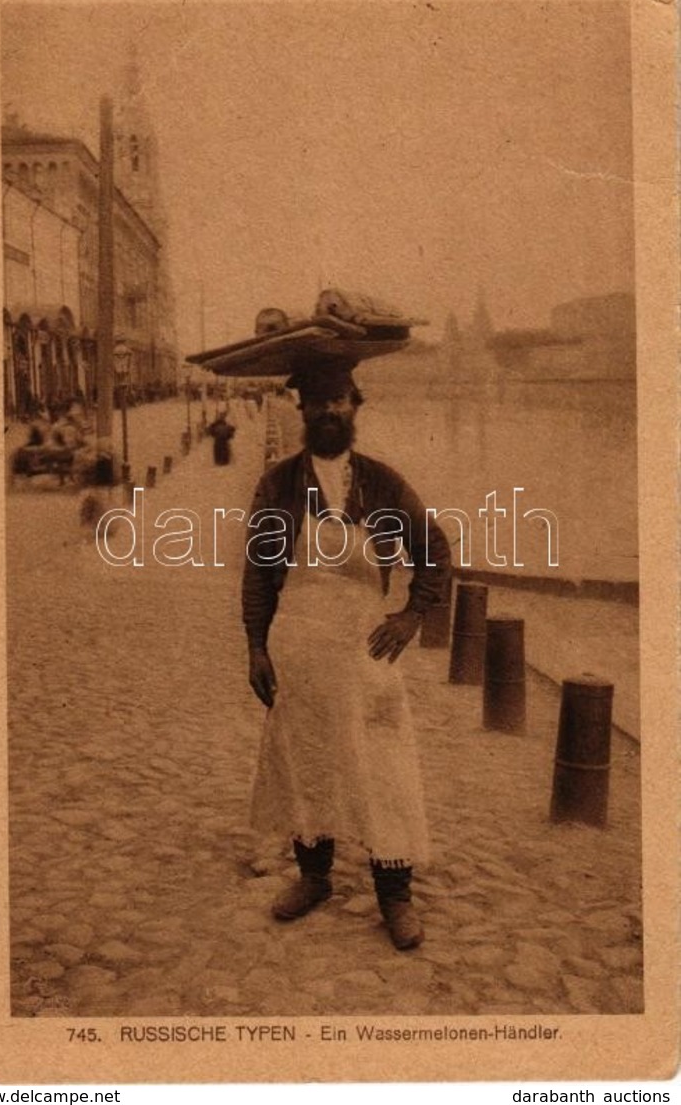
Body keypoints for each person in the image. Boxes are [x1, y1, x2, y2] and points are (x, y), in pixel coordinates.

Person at [242, 361, 451, 950]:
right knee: (306, 759)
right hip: (299, 644)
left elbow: (433, 549)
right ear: (302, 411)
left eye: (340, 401)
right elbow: (259, 572)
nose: (330, 412)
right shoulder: (280, 485)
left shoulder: (383, 484)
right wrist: (256, 644)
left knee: (382, 765)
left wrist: (412, 614)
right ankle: (313, 878)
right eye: (318, 402)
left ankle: (395, 895)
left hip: (365, 647)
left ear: (356, 406)